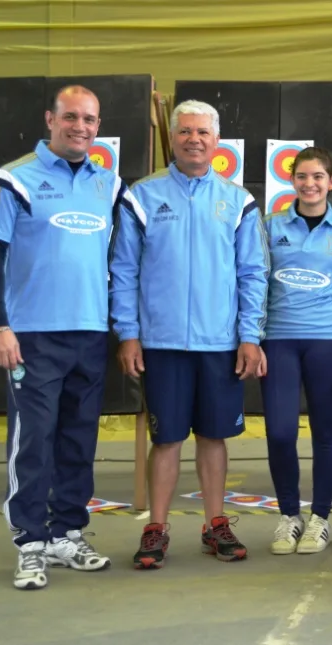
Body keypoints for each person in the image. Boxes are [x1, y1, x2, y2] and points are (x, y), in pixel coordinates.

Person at [0, 85, 133, 589]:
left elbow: (119, 261)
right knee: (33, 441)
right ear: (50, 119)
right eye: (71, 117)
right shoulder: (12, 179)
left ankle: (66, 533)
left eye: (90, 119)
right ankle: (29, 543)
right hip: (32, 337)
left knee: (78, 441)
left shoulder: (107, 184)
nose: (81, 127)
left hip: (90, 332)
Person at [110, 99, 269, 569]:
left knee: (215, 437)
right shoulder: (142, 196)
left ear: (217, 142)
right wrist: (128, 333)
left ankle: (215, 523)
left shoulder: (238, 201)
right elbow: (123, 269)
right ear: (173, 138)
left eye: (202, 132)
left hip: (220, 344)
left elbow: (253, 273)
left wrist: (249, 335)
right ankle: (156, 527)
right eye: (185, 132)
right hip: (160, 344)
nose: (194, 139)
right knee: (167, 439)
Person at [261, 147, 332, 555]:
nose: (310, 184)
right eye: (302, 176)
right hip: (279, 340)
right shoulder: (268, 227)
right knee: (281, 432)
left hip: (328, 341)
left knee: (325, 432)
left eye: (318, 176)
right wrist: (252, 339)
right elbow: (255, 284)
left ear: (331, 181)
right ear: (292, 180)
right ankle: (290, 516)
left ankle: (320, 518)